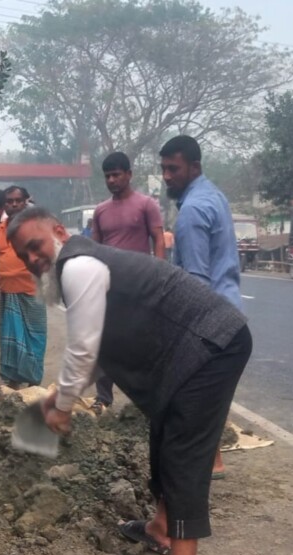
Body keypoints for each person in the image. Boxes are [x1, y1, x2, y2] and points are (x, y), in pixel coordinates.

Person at [5, 207, 251, 555]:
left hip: (212, 344)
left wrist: (62, 409)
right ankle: (162, 527)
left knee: (184, 453)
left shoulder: (79, 266)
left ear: (59, 232)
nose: (32, 259)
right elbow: (99, 352)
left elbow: (82, 349)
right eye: (22, 254)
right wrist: (60, 398)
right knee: (163, 429)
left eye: (36, 245)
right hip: (192, 349)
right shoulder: (80, 268)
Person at [159, 135, 243, 479]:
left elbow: (195, 281)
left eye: (173, 169)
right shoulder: (214, 197)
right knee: (211, 393)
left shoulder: (192, 211)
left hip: (208, 318)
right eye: (163, 169)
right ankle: (213, 459)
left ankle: (207, 463)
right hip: (229, 311)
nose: (166, 176)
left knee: (189, 396)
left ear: (194, 167)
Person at [90, 150, 167, 413]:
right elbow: (95, 249)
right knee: (104, 341)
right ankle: (103, 398)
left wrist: (159, 273)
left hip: (140, 285)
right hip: (109, 288)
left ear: (129, 174)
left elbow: (158, 239)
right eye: (107, 176)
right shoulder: (100, 211)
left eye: (116, 174)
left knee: (142, 342)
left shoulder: (147, 205)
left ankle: (146, 398)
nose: (112, 180)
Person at [0, 185, 47, 389]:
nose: (13, 204)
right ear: (4, 204)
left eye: (17, 200)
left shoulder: (37, 229)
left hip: (33, 292)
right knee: (10, 339)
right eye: (9, 201)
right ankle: (13, 381)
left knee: (35, 337)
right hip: (8, 292)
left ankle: (33, 382)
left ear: (25, 202)